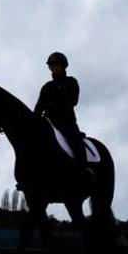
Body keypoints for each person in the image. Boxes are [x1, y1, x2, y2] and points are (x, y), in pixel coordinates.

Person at [34, 52, 93, 184]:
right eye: (51, 65)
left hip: (66, 123)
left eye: (56, 64)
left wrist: (53, 106)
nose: (53, 67)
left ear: (63, 66)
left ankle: (84, 172)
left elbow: (72, 101)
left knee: (76, 141)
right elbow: (38, 108)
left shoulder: (71, 82)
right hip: (48, 123)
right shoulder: (46, 87)